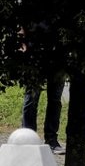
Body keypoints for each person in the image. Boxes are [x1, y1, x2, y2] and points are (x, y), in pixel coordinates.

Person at [18, 26, 66, 155]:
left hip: (59, 56)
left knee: (55, 101)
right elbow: (21, 25)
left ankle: (51, 140)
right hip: (35, 54)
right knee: (31, 98)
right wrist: (22, 42)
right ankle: (28, 138)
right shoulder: (33, 6)